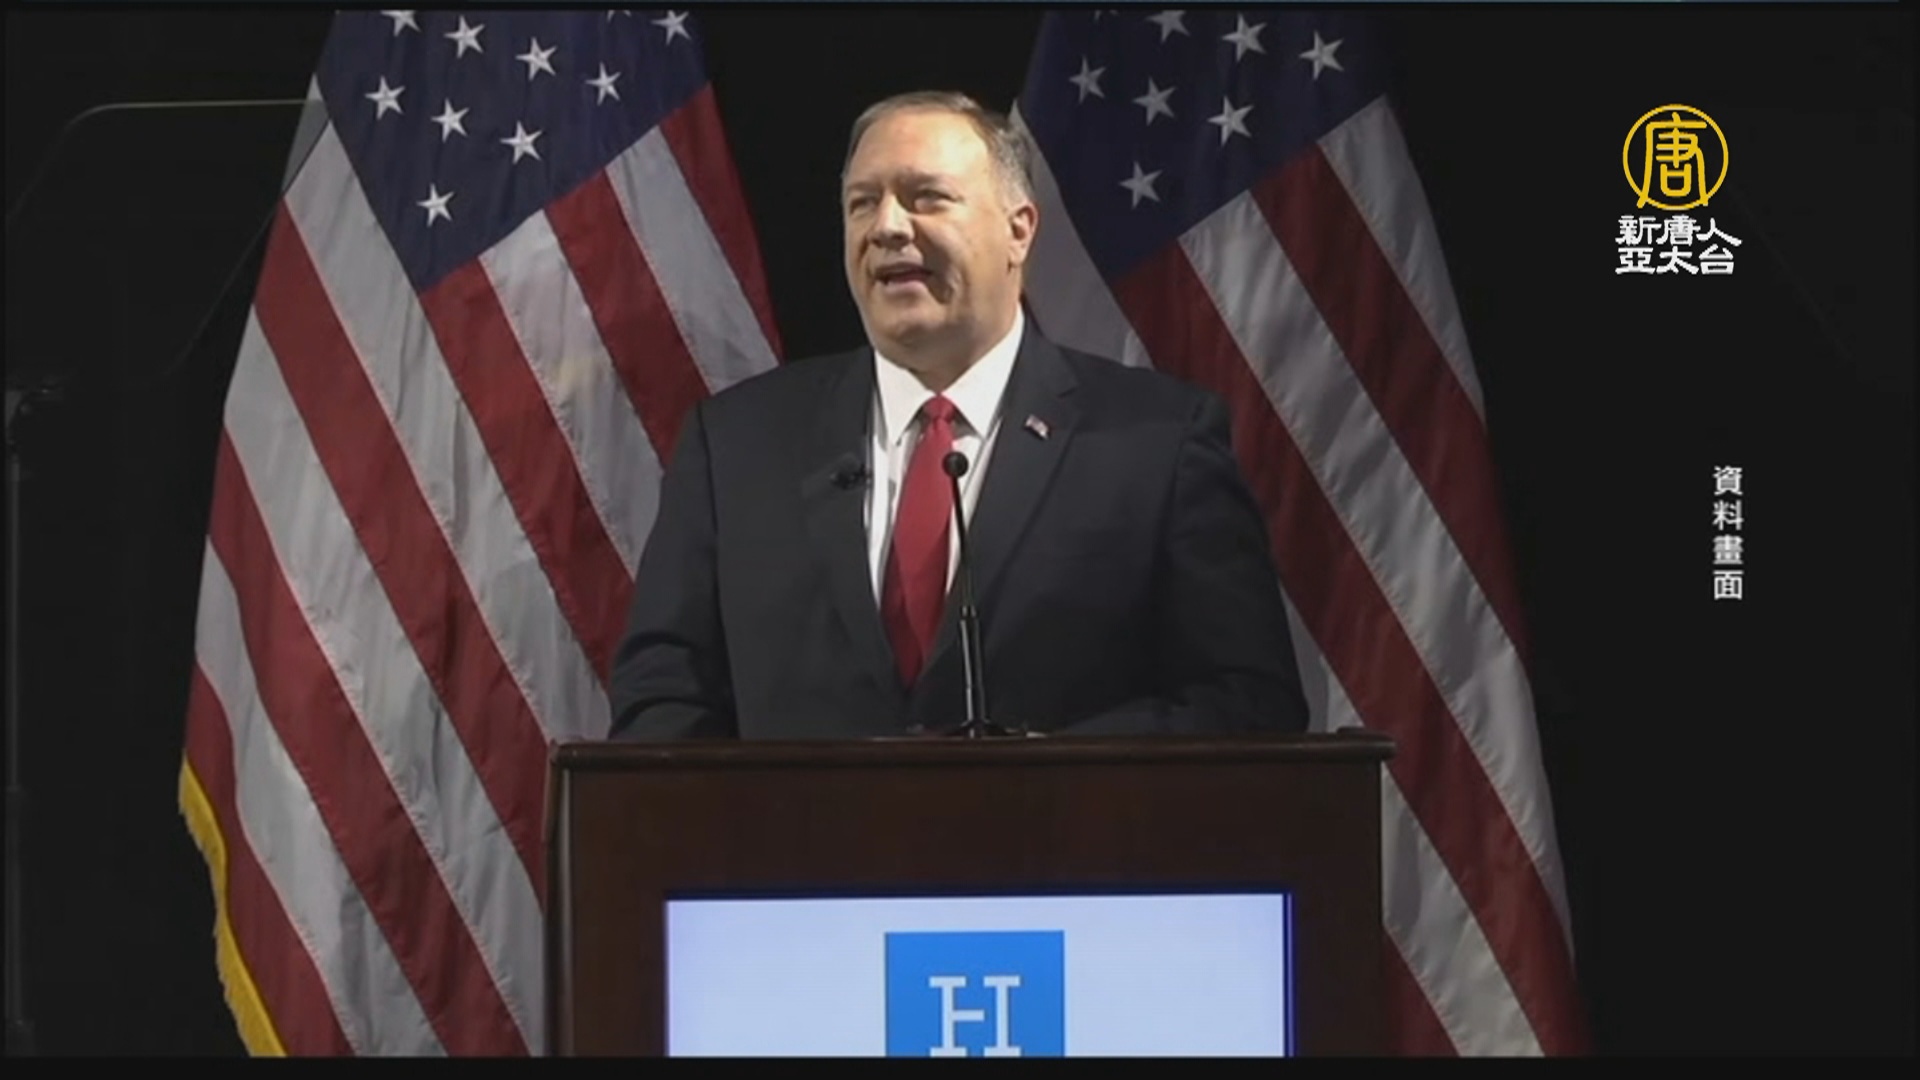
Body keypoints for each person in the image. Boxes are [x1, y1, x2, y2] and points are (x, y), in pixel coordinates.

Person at [607, 91, 1308, 740]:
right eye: (862, 203)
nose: (887, 227)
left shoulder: (1158, 442)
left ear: (1018, 230)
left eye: (927, 198)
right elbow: (661, 701)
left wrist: (1040, 780)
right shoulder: (735, 445)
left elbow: (1246, 700)